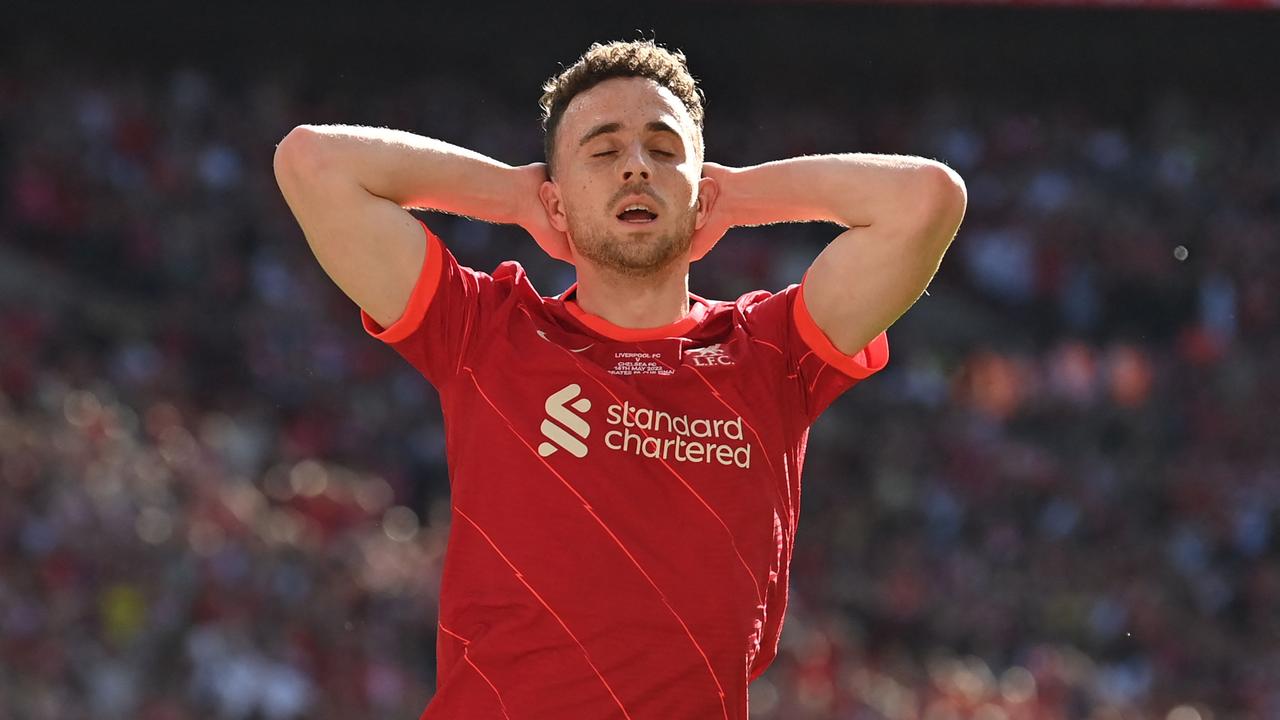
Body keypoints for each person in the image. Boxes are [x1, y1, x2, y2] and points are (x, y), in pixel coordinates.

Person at [273, 39, 966, 720]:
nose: (636, 167)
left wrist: (736, 196)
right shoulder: (486, 333)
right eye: (602, 152)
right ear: (557, 203)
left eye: (664, 150)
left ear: (701, 193)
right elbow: (312, 161)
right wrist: (513, 197)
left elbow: (927, 200)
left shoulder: (772, 352)